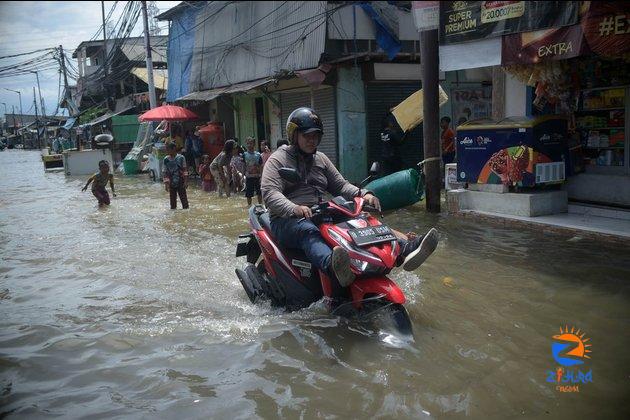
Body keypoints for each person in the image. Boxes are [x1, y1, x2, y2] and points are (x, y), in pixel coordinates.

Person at [261, 107, 439, 291]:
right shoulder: (278, 160)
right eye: (306, 135)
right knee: (308, 231)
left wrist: (364, 194)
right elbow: (270, 193)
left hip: (318, 213)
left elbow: (341, 185)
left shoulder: (320, 159)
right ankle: (333, 267)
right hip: (287, 219)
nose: (311, 139)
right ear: (294, 135)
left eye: (315, 135)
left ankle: (405, 249)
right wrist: (294, 208)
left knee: (364, 221)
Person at [163, 142, 189, 209]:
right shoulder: (166, 159)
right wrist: (166, 184)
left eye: (168, 149)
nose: (167, 151)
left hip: (181, 181)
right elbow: (165, 172)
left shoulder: (181, 157)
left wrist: (186, 181)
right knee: (173, 204)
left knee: (185, 202)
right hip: (171, 182)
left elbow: (185, 170)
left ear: (173, 149)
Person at [243, 137, 263, 206]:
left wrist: (261, 176)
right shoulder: (244, 155)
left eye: (251, 143)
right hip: (249, 177)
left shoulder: (258, 155)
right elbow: (244, 166)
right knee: (248, 194)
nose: (249, 145)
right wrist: (243, 176)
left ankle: (260, 205)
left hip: (257, 177)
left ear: (254, 144)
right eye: (247, 143)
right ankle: (249, 206)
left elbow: (261, 166)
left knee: (259, 192)